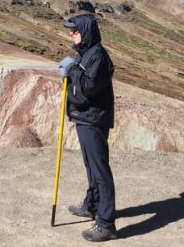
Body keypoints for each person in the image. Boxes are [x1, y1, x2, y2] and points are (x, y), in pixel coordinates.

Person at [58, 13, 117, 242]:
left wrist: (71, 70)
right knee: (91, 167)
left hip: (92, 119)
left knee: (100, 170)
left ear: (86, 31)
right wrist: (73, 69)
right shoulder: (87, 54)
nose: (71, 33)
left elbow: (86, 90)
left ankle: (106, 223)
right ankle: (92, 205)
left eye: (75, 29)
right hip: (85, 118)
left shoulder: (98, 56)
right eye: (70, 30)